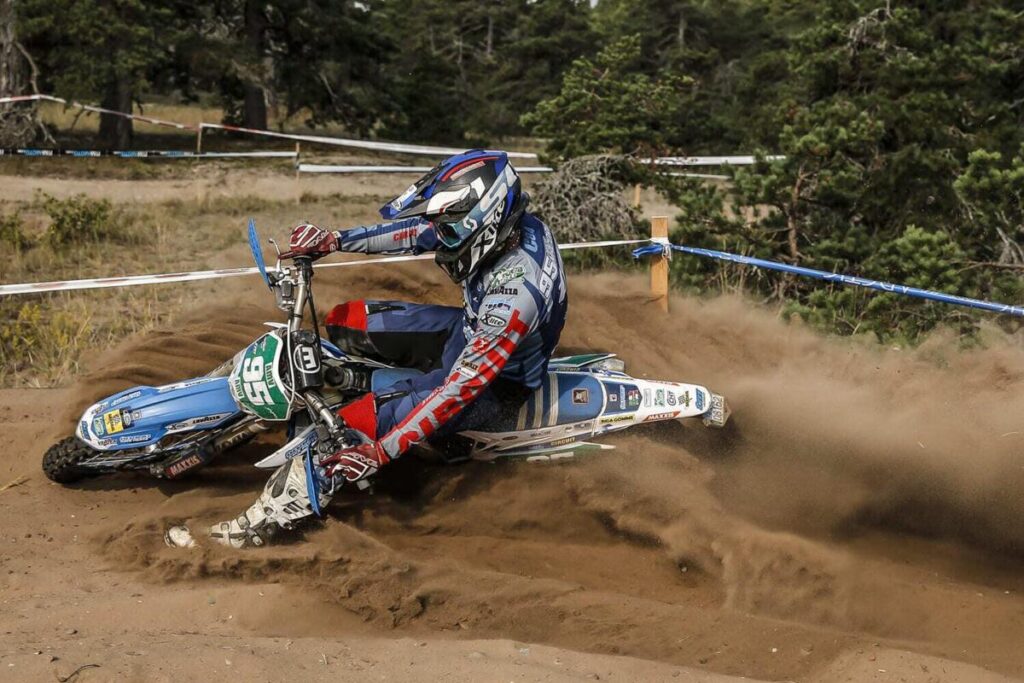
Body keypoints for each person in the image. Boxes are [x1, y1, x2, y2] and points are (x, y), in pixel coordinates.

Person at [166, 149, 567, 549]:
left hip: (492, 389)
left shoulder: (514, 301)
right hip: (468, 334)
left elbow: (458, 389)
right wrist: (335, 240)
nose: (440, 237)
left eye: (448, 228)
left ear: (488, 218)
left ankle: (257, 531)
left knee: (348, 428)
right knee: (348, 320)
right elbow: (414, 234)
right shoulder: (515, 227)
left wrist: (380, 450)